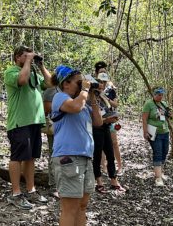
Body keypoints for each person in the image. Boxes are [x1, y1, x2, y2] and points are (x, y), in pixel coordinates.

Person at [51, 65, 102, 226]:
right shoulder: (60, 97)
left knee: (82, 206)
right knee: (70, 208)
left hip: (85, 158)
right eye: (78, 82)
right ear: (66, 83)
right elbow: (75, 107)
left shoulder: (83, 103)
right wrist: (85, 90)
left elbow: (98, 122)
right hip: (68, 157)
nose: (82, 85)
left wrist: (92, 96)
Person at [4, 45, 52, 209]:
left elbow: (50, 83)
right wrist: (28, 61)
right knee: (17, 157)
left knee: (31, 157)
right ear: (17, 57)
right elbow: (22, 80)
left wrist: (41, 65)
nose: (29, 58)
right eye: (26, 55)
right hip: (19, 122)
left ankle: (31, 190)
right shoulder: (11, 72)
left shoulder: (34, 74)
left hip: (34, 122)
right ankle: (16, 193)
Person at [92, 72, 125, 194]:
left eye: (104, 82)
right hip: (96, 128)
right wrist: (106, 119)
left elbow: (111, 107)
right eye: (100, 82)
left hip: (106, 127)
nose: (102, 84)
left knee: (110, 154)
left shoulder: (104, 96)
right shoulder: (90, 97)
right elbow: (91, 118)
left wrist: (111, 118)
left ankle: (113, 179)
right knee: (97, 154)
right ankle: (99, 181)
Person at [94, 61, 123, 175]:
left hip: (110, 118)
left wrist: (106, 98)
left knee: (114, 142)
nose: (103, 74)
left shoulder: (111, 88)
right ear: (96, 73)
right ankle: (104, 167)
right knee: (101, 144)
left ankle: (119, 166)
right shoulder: (93, 86)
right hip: (98, 118)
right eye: (101, 72)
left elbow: (116, 104)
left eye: (105, 72)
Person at [141, 87, 172, 186]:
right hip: (154, 132)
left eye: (162, 95)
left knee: (165, 151)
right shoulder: (149, 104)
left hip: (165, 131)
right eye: (158, 95)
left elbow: (168, 118)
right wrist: (145, 132)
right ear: (154, 95)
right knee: (157, 152)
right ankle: (158, 178)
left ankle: (160, 172)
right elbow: (144, 119)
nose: (160, 96)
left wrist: (169, 114)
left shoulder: (164, 104)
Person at [42, 85, 59, 198]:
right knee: (54, 154)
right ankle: (53, 185)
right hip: (55, 126)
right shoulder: (51, 90)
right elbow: (46, 109)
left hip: (67, 127)